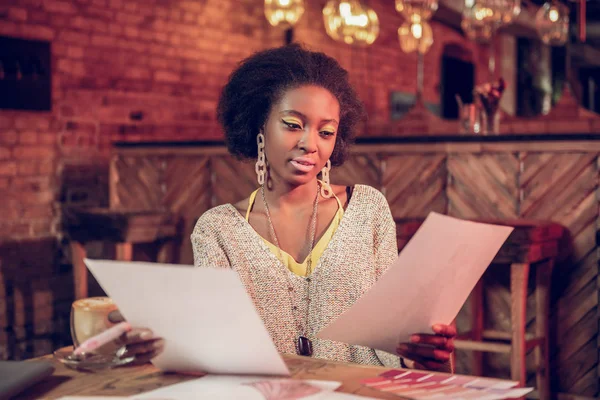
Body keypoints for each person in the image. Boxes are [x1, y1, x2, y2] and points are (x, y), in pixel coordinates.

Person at [115, 44, 456, 372]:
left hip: (364, 390)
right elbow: (216, 342)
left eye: (326, 131)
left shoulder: (368, 209)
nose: (310, 144)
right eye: (293, 125)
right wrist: (163, 343)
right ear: (260, 125)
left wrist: (422, 351)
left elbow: (393, 332)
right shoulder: (218, 229)